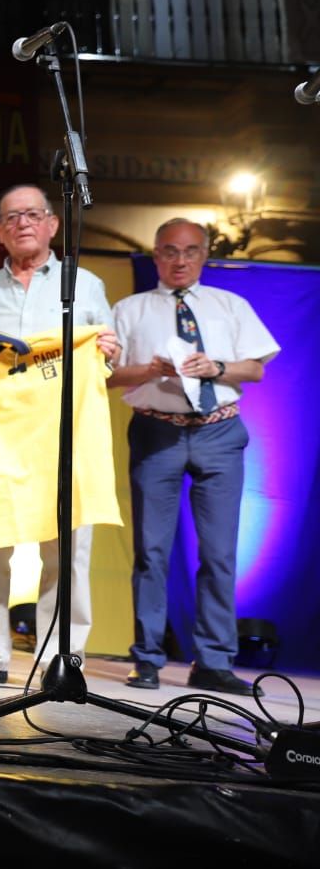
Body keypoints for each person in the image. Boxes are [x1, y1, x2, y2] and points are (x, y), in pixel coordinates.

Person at [0, 185, 118, 684]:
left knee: (67, 549)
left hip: (62, 434)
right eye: (12, 217)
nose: (23, 223)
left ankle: (62, 656)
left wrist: (108, 349)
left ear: (53, 224)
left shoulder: (84, 285)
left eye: (33, 214)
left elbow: (104, 360)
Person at [111, 218, 279, 697]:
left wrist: (216, 366)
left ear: (204, 255)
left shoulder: (229, 304)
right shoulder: (130, 309)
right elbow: (107, 375)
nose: (180, 260)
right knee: (152, 551)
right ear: (156, 256)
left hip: (218, 431)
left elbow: (256, 368)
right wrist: (150, 369)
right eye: (169, 251)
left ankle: (213, 661)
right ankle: (147, 657)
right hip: (157, 430)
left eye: (189, 251)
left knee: (220, 553)